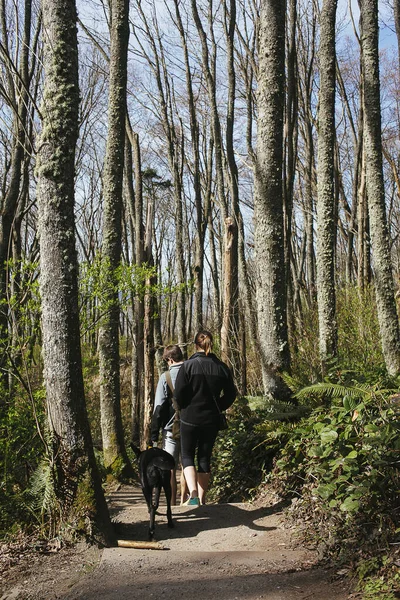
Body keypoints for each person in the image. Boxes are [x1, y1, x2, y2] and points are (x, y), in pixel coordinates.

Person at [174, 330, 236, 506]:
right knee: (204, 457)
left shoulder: (187, 366)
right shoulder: (222, 367)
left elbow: (178, 394)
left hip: (189, 418)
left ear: (195, 345)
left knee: (186, 455)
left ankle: (193, 495)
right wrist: (219, 406)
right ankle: (202, 499)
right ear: (211, 344)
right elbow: (231, 394)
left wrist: (186, 406)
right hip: (211, 419)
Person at [150, 344, 184, 505]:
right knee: (188, 464)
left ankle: (172, 504)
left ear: (170, 359)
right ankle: (187, 500)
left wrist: (154, 433)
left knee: (170, 467)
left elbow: (158, 407)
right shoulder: (191, 371)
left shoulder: (166, 377)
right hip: (191, 426)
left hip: (171, 429)